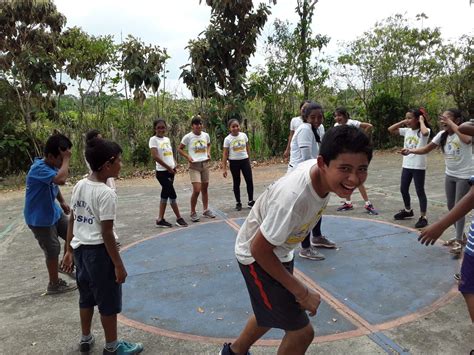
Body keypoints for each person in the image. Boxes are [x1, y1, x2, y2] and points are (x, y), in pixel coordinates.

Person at [221, 125, 373, 355]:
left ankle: (234, 352)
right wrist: (302, 292)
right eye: (344, 168)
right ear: (322, 163)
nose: (354, 178)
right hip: (255, 256)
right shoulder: (294, 198)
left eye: (362, 169)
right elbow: (259, 249)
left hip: (279, 250)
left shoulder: (321, 177)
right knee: (302, 332)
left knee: (270, 312)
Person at [62, 138, 144, 355]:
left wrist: (69, 249)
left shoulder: (80, 185)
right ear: (107, 165)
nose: (121, 164)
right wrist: (118, 265)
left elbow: (73, 218)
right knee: (108, 300)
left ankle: (86, 338)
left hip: (80, 251)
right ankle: (112, 346)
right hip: (98, 254)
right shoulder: (106, 193)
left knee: (86, 297)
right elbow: (106, 233)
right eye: (119, 160)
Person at [419, 120, 474, 325]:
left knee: (469, 287)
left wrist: (439, 225)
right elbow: (468, 125)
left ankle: (459, 238)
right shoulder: (444, 136)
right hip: (452, 175)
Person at [402, 109, 472, 254]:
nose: (443, 121)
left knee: (459, 207)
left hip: (465, 175)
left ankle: (458, 241)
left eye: (446, 118)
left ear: (457, 120)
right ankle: (461, 236)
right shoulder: (442, 135)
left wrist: (452, 124)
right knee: (451, 206)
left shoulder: (463, 133)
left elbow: (467, 140)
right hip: (450, 174)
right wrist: (410, 151)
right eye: (442, 118)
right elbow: (427, 148)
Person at [23, 133, 77, 294]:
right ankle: (54, 284)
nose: (62, 163)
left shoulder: (50, 166)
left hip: (53, 212)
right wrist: (66, 160)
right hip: (39, 219)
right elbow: (60, 180)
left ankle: (67, 264)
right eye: (60, 159)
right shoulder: (38, 168)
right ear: (50, 156)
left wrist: (61, 202)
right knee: (53, 249)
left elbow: (55, 185)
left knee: (72, 232)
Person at [289, 102, 336, 261]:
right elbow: (305, 158)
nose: (317, 120)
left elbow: (319, 151)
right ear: (306, 117)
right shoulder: (304, 130)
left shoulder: (317, 129)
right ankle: (305, 247)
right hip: (302, 174)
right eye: (313, 117)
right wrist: (324, 172)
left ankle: (316, 237)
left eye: (320, 117)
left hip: (313, 171)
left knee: (317, 207)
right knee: (307, 211)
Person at [388, 108, 433, 228]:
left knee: (420, 191)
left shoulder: (424, 129)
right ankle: (408, 210)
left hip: (418, 166)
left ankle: (423, 217)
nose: (407, 120)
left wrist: (422, 121)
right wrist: (403, 121)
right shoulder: (407, 131)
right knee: (403, 189)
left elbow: (425, 133)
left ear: (417, 119)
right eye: (406, 117)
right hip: (406, 165)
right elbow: (390, 129)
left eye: (409, 118)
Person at [333, 107, 378, 215]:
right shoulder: (336, 127)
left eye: (339, 115)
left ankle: (368, 203)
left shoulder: (352, 123)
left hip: (354, 156)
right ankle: (348, 202)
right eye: (335, 116)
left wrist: (361, 139)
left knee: (357, 180)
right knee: (345, 179)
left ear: (345, 116)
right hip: (343, 156)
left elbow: (369, 126)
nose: (337, 118)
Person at [149, 119, 188, 227]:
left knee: (165, 194)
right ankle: (179, 218)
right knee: (172, 194)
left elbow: (169, 154)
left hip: (171, 171)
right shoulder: (153, 140)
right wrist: (167, 167)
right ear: (155, 129)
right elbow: (155, 156)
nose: (161, 130)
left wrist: (174, 164)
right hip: (162, 172)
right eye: (159, 128)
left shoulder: (167, 139)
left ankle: (160, 219)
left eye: (163, 127)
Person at [178, 115, 216, 222]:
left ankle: (205, 209)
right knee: (197, 189)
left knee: (205, 188)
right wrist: (187, 157)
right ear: (192, 126)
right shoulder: (188, 137)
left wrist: (208, 153)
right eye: (196, 124)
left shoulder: (206, 135)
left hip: (205, 164)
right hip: (194, 166)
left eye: (200, 124)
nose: (198, 126)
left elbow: (208, 145)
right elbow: (180, 149)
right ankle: (193, 212)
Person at [222, 119, 255, 211]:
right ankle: (238, 202)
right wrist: (224, 168)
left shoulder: (243, 136)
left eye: (237, 126)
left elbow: (247, 148)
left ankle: (250, 200)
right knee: (236, 182)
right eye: (233, 127)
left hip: (244, 160)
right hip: (234, 162)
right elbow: (225, 154)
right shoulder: (227, 139)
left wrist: (249, 159)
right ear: (229, 128)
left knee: (249, 180)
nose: (235, 128)